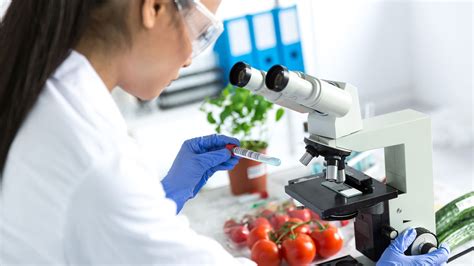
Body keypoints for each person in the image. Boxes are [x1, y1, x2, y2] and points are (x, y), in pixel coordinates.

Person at [0, 0, 449, 265]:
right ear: (154, 8)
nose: (193, 58)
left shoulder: (40, 87)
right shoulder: (96, 158)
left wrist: (161, 200)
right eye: (203, 31)